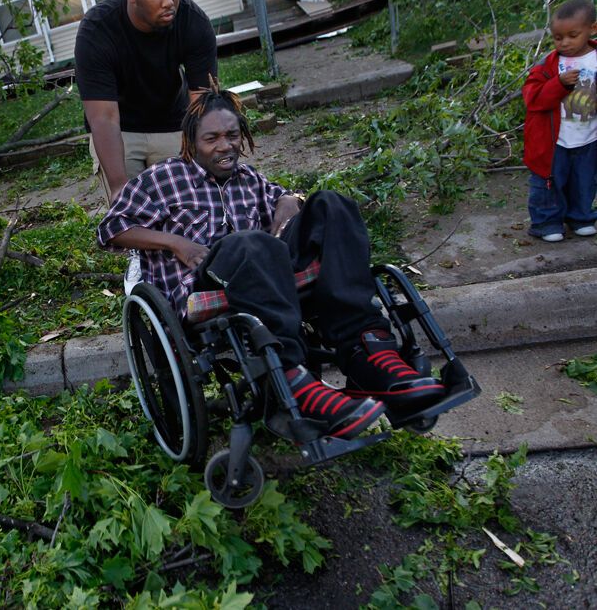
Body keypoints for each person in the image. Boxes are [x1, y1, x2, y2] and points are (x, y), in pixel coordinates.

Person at [98, 85, 447, 440]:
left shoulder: (248, 179)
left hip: (265, 271)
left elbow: (283, 197)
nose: (225, 146)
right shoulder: (162, 179)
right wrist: (177, 244)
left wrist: (287, 201)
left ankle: (367, 351)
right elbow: (111, 228)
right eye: (212, 138)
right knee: (252, 243)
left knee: (332, 204)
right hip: (204, 279)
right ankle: (290, 377)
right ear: (190, 142)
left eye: (232, 135)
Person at [74, 0, 217, 204]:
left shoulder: (193, 23)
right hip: (121, 130)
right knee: (135, 210)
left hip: (174, 124)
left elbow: (202, 107)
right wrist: (120, 188)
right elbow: (103, 117)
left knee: (188, 207)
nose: (169, 1)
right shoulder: (97, 30)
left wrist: (208, 169)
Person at [522, 0, 597, 242]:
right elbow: (532, 98)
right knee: (549, 184)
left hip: (589, 137)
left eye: (572, 35)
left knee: (584, 181)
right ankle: (547, 223)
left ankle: (581, 217)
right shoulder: (549, 64)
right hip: (555, 141)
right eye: (557, 38)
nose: (564, 43)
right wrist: (558, 84)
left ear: (592, 29)